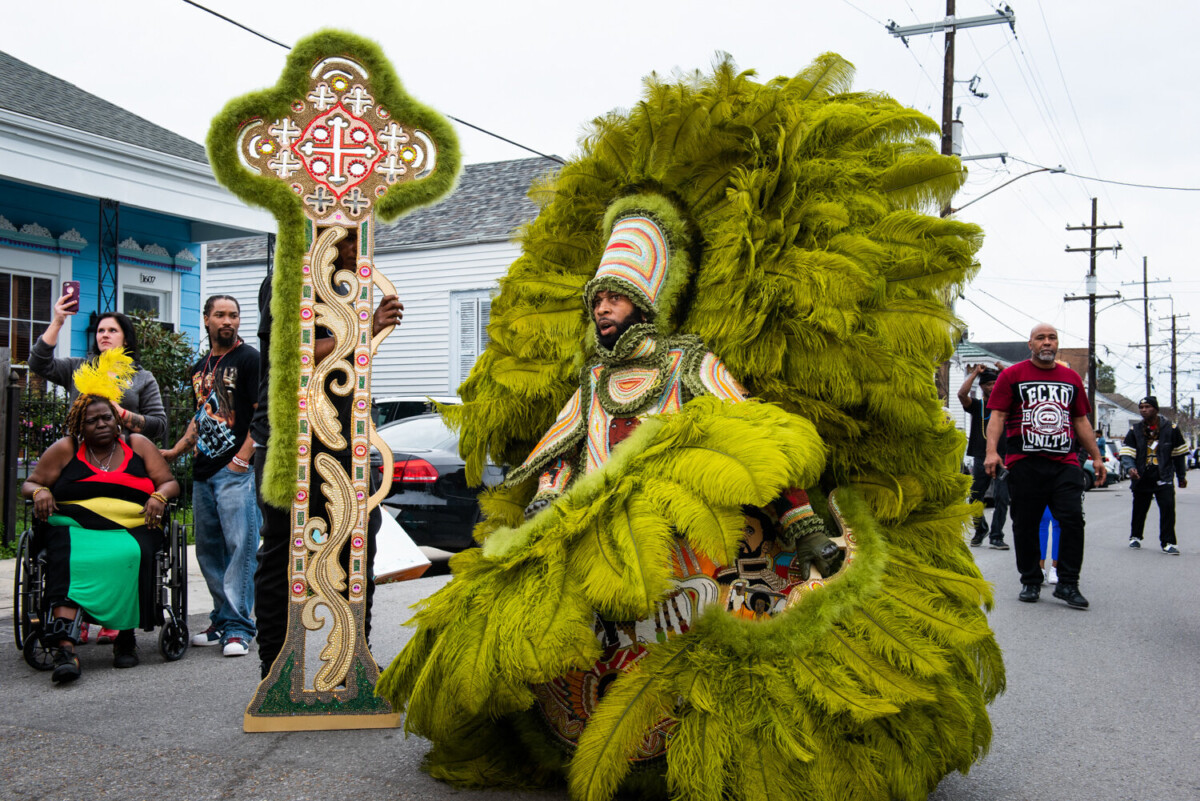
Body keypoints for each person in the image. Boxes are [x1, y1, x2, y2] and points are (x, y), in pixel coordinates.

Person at [251, 231, 402, 679]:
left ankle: (357, 657)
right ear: (323, 237)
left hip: (347, 439)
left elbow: (352, 362)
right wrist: (366, 329)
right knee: (282, 550)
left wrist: (369, 332)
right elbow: (293, 360)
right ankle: (274, 666)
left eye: (364, 238)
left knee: (360, 543)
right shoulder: (288, 282)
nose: (361, 249)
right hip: (290, 440)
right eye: (352, 239)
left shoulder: (349, 288)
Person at [21, 349, 180, 683]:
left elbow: (169, 482)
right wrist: (41, 492)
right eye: (92, 420)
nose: (101, 423)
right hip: (76, 526)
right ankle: (65, 647)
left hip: (133, 525)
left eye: (106, 417)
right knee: (64, 551)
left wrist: (158, 495)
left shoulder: (137, 444)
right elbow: (31, 482)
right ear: (81, 425)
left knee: (131, 552)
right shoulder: (66, 449)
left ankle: (125, 638)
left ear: (117, 417)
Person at [29, 295, 167, 647]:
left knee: (124, 540)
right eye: (100, 330)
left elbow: (158, 424)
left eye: (112, 330)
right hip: (80, 466)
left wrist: (122, 416)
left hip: (124, 466)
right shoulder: (80, 369)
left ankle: (116, 622)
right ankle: (75, 617)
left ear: (126, 339)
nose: (104, 335)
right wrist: (58, 320)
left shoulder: (141, 377)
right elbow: (38, 363)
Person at [162, 295, 261, 657]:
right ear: (206, 320)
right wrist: (176, 451)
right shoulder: (199, 367)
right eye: (220, 315)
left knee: (241, 550)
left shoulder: (250, 359)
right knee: (209, 552)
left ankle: (239, 627)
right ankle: (222, 620)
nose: (228, 321)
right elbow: (201, 416)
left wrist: (242, 459)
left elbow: (261, 415)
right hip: (204, 471)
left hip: (235, 471)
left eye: (233, 315)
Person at [985, 323, 1106, 608]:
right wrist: (992, 451)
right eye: (1041, 338)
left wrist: (1097, 457)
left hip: (1064, 463)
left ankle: (1067, 583)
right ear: (1031, 344)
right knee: (1025, 524)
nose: (1047, 342)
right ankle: (1030, 579)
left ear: (1057, 344)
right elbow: (998, 415)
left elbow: (1080, 421)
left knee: (1073, 520)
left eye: (1052, 338)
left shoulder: (1071, 378)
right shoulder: (1012, 376)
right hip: (1025, 463)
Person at [1120, 395, 1187, 554]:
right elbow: (1127, 453)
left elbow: (1178, 455)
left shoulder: (1171, 429)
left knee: (1168, 509)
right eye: (1141, 408)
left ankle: (1169, 542)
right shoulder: (1135, 430)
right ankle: (1135, 537)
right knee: (1139, 508)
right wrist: (1130, 469)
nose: (1144, 410)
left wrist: (1181, 477)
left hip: (1163, 475)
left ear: (1155, 409)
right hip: (1142, 476)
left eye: (1147, 407)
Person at [958, 363, 1009, 549]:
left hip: (1004, 457)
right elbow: (961, 395)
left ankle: (996, 536)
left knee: (1002, 498)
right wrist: (974, 374)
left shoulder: (1006, 407)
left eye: (996, 383)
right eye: (989, 384)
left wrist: (1005, 372)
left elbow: (1019, 390)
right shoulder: (978, 406)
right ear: (982, 387)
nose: (993, 386)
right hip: (981, 456)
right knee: (975, 498)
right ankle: (980, 530)